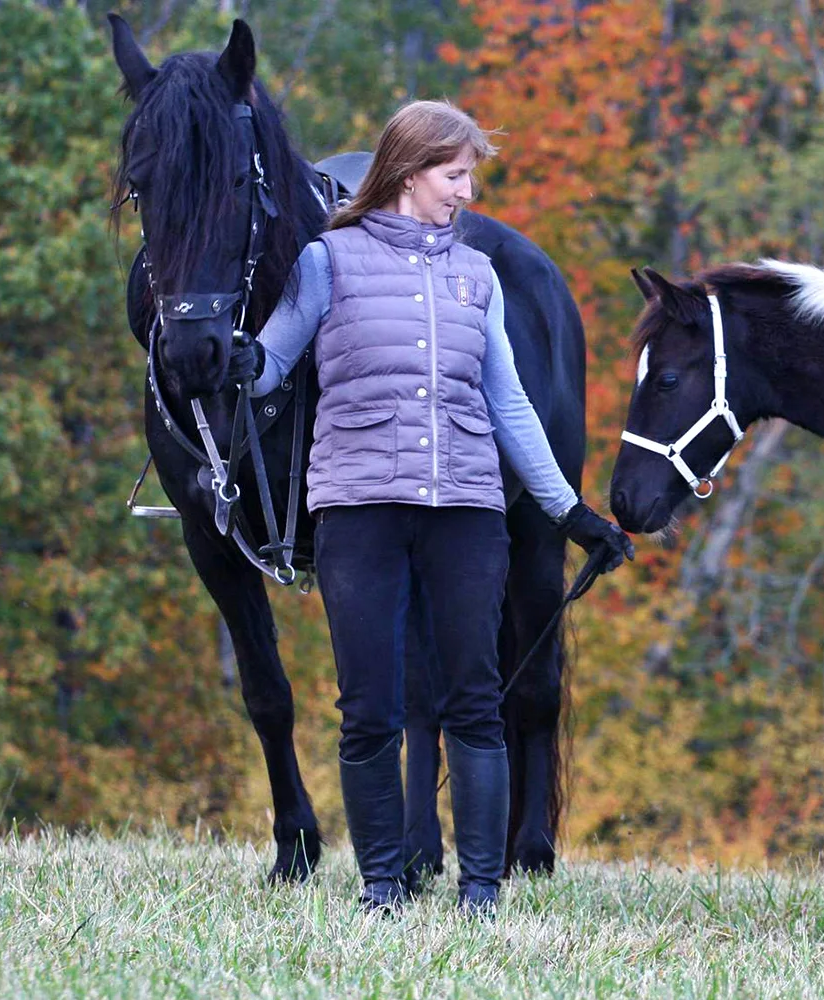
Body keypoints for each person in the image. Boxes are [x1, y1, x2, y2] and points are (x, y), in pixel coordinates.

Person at [228, 99, 632, 915]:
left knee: (473, 706)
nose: (468, 191)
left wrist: (568, 511)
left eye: (470, 175)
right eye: (456, 175)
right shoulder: (326, 263)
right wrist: (233, 360)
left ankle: (480, 892)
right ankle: (382, 886)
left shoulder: (476, 277)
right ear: (410, 174)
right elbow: (272, 366)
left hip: (467, 515)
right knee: (369, 708)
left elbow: (510, 406)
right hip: (359, 511)